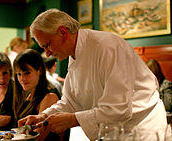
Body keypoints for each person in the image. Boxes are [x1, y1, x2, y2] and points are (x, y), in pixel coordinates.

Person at [18, 9, 167, 140]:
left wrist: (71, 120)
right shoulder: (74, 54)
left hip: (140, 127)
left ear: (63, 32)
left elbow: (118, 109)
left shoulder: (107, 47)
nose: (48, 52)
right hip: (112, 129)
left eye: (47, 45)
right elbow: (71, 102)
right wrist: (44, 116)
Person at [13, 49, 61, 140]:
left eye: (27, 73)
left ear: (40, 71)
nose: (22, 78)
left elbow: (38, 137)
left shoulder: (49, 96)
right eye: (19, 74)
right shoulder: (29, 94)